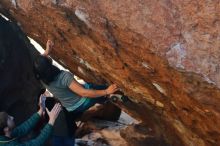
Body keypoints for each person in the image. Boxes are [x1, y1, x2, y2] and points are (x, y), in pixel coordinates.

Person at [33, 39, 119, 136]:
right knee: (108, 90)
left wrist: (47, 51)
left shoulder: (43, 79)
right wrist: (106, 91)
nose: (47, 57)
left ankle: (98, 108)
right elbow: (84, 93)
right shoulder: (64, 77)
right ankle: (104, 104)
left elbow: (41, 67)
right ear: (49, 66)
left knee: (93, 86)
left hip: (70, 107)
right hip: (82, 102)